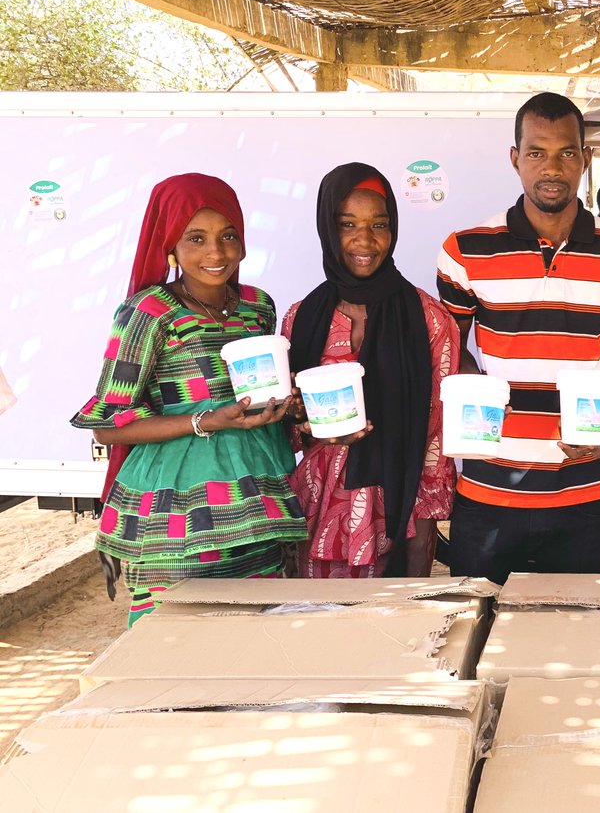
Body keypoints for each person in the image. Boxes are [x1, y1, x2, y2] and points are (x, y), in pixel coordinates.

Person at [71, 174, 306, 626]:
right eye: (196, 238)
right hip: (177, 504)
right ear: (170, 248)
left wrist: (288, 405)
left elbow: (254, 393)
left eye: (228, 236)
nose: (216, 253)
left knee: (258, 623)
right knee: (175, 628)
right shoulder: (148, 312)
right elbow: (107, 425)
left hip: (256, 493)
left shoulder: (258, 306)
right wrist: (207, 420)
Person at [436, 92, 600, 584]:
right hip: (489, 483)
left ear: (585, 159)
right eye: (536, 152)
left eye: (566, 152)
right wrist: (477, 397)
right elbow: (451, 348)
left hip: (583, 486)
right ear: (515, 159)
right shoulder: (465, 250)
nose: (551, 167)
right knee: (475, 618)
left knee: (568, 623)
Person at [284, 162, 459, 578]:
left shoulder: (429, 319)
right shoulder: (302, 319)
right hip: (318, 514)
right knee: (317, 617)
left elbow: (436, 439)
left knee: (394, 618)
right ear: (328, 229)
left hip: (397, 513)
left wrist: (423, 533)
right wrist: (302, 421)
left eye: (379, 225)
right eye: (347, 224)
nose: (365, 240)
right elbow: (286, 430)